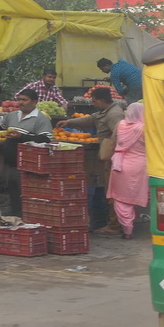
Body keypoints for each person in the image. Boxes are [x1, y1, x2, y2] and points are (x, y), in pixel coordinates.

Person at [56, 86, 125, 234]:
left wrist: (111, 147)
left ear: (101, 100)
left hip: (113, 157)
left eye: (94, 101)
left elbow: (120, 134)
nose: (93, 104)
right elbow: (90, 119)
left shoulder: (114, 114)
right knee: (107, 189)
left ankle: (115, 225)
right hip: (107, 155)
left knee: (112, 190)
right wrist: (69, 122)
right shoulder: (104, 111)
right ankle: (110, 222)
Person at [0, 89, 53, 212]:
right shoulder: (13, 115)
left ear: (34, 102)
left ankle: (26, 217)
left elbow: (46, 139)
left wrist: (22, 137)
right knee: (14, 193)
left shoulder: (40, 119)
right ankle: (17, 217)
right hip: (11, 164)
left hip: (27, 166)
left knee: (24, 194)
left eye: (24, 100)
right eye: (19, 99)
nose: (20, 102)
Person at [108, 102, 148, 239]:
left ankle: (127, 231)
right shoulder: (144, 128)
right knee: (141, 194)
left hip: (120, 165)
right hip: (140, 166)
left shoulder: (120, 125)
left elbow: (114, 140)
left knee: (121, 199)